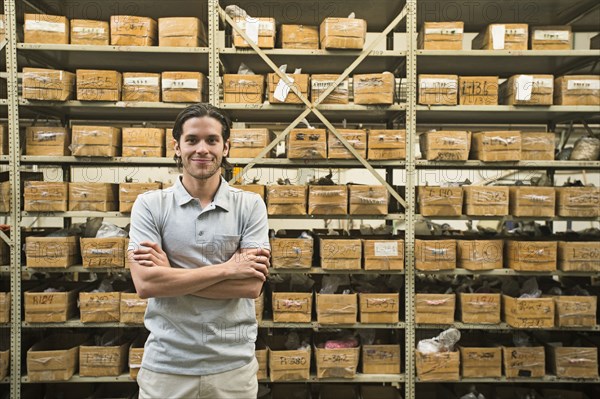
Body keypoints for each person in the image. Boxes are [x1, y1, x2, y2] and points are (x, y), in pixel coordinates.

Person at [128, 103, 270, 399]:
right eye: (192, 140)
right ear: (177, 147)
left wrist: (172, 276)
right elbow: (146, 285)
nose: (202, 149)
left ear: (226, 147)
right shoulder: (150, 205)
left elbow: (250, 286)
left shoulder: (250, 205)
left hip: (233, 367)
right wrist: (228, 269)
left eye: (212, 140)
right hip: (167, 366)